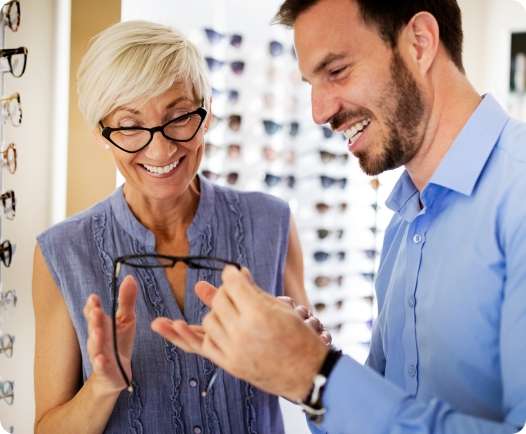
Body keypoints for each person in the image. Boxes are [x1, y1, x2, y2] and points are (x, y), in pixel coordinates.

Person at [152, 0, 526, 433]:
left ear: (419, 43)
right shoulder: (406, 224)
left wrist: (316, 375)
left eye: (337, 71)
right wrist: (299, 362)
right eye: (312, 83)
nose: (320, 112)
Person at [32, 20, 326, 434]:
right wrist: (102, 385)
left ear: (206, 115)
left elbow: (313, 394)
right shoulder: (61, 253)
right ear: (103, 134)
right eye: (131, 126)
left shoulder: (272, 223)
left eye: (180, 117)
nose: (162, 148)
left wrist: (305, 359)